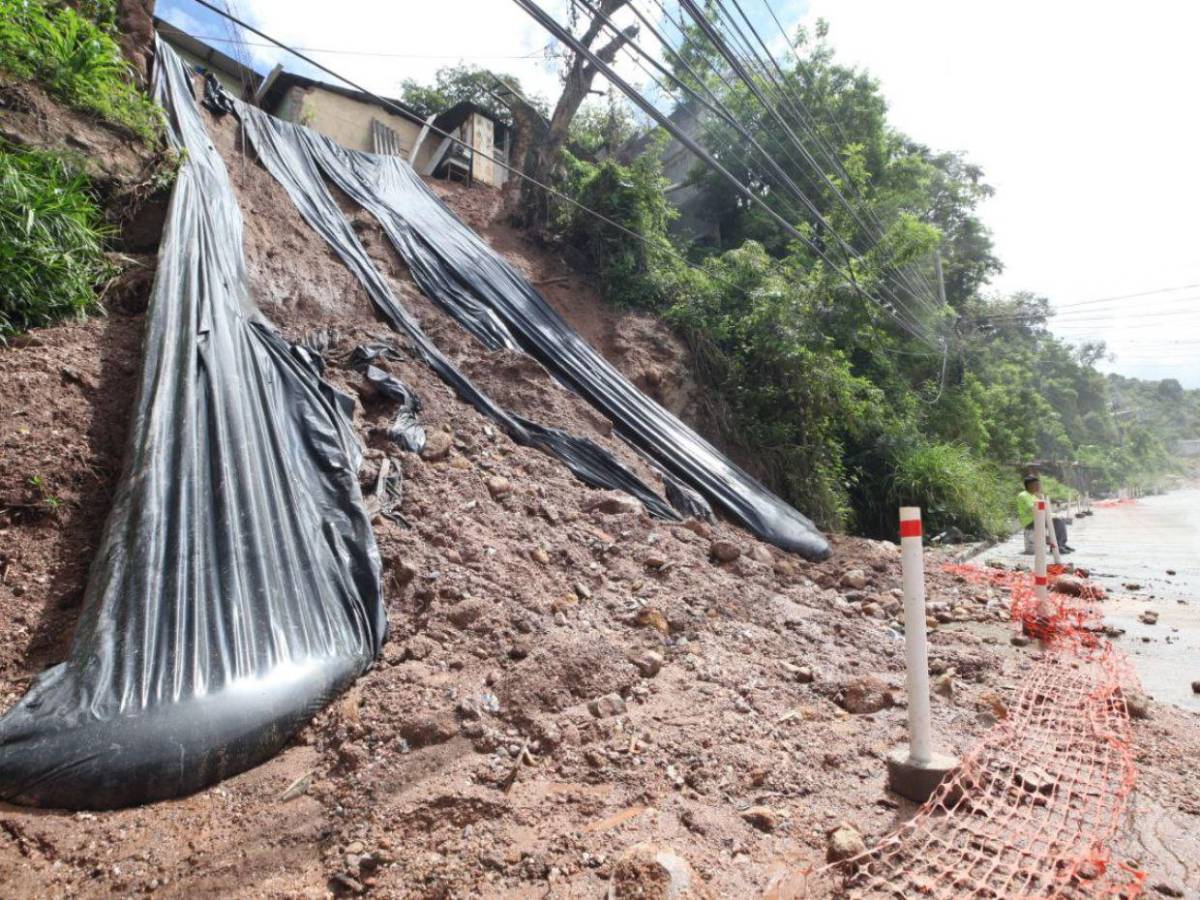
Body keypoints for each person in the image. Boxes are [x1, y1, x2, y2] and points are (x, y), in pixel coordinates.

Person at [1018, 475, 1074, 554]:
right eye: (1036, 485)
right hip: (1030, 521)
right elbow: (1035, 508)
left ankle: (1061, 544)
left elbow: (1043, 507)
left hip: (1038, 518)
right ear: (1030, 485)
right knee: (1057, 521)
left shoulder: (1033, 496)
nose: (1038, 487)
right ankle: (1057, 546)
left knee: (1060, 519)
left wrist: (1053, 511)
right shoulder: (1023, 495)